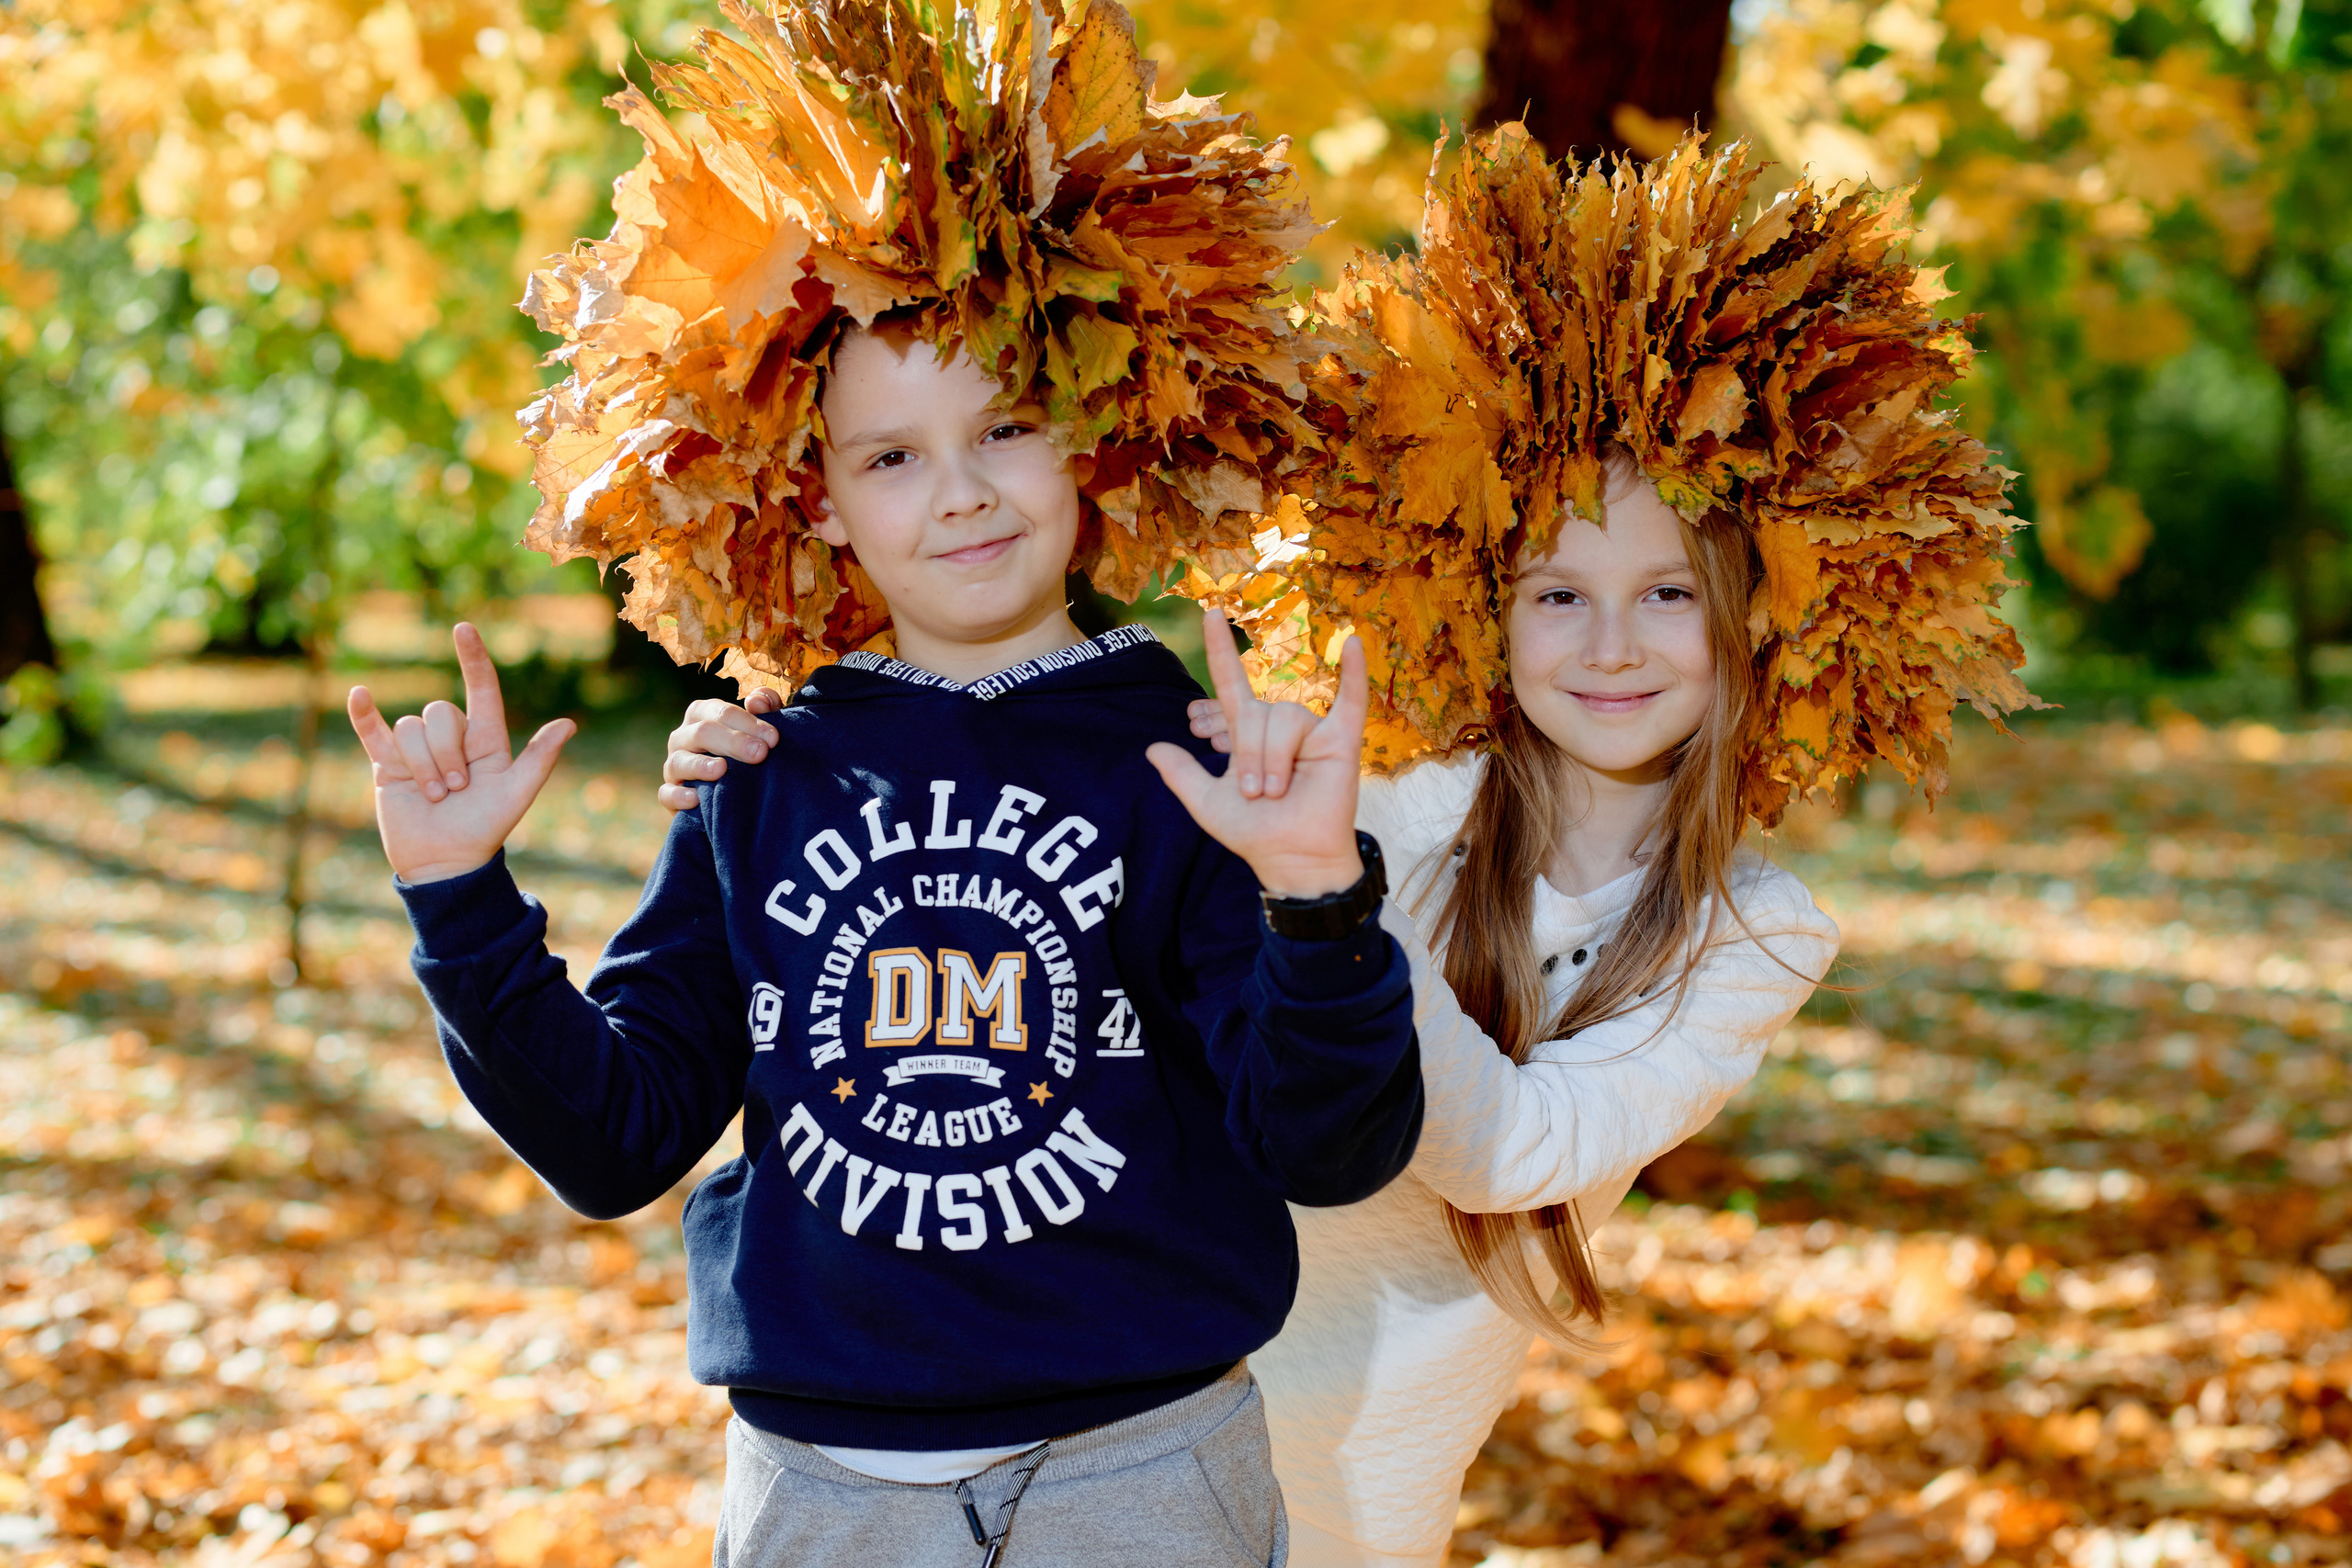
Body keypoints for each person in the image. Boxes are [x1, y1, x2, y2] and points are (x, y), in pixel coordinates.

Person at [660, 130, 2038, 1566]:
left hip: (1383, 1433)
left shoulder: (1752, 928)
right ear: (1489, 612)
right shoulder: (1397, 797)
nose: (1612, 648)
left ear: (1751, 623)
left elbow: (1516, 1149)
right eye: (1558, 595)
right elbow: (1068, 883)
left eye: (1669, 597)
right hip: (1147, 1364)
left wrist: (1323, 899)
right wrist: (783, 762)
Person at [348, 4, 1427, 1563]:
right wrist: (460, 903)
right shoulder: (759, 769)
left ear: (1090, 437)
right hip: (823, 1492)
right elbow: (614, 1140)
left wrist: (1317, 903)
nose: (962, 492)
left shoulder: (1197, 764)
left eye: (1006, 428)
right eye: (892, 457)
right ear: (819, 500)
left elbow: (1327, 1152)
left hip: (1144, 1472)